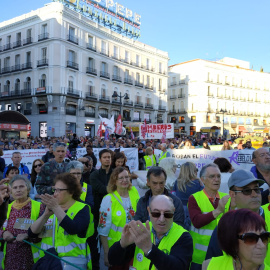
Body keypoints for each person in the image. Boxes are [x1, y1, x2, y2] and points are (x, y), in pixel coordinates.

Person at [108, 195, 193, 270]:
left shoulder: (183, 236)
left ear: (173, 212)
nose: (162, 219)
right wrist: (122, 244)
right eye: (156, 213)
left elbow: (178, 267)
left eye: (167, 214)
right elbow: (113, 260)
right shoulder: (140, 230)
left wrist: (150, 250)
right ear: (149, 211)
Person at [29, 173, 94, 270]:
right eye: (54, 189)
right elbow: (32, 233)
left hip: (72, 263)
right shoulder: (51, 209)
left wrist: (55, 208)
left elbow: (73, 228)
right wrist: (46, 215)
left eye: (59, 190)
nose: (55, 193)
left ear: (71, 192)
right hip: (49, 262)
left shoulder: (82, 208)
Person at [205, 169, 266, 260]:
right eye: (247, 191)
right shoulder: (224, 226)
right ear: (232, 194)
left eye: (257, 189)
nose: (254, 194)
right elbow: (213, 263)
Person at [188, 163, 230, 270]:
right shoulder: (194, 198)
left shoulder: (226, 198)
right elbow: (197, 221)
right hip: (199, 257)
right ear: (202, 180)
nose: (216, 179)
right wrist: (218, 211)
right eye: (212, 176)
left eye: (218, 176)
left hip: (222, 255)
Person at [98, 167, 140, 269]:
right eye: (121, 178)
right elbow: (103, 230)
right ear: (114, 181)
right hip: (117, 246)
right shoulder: (108, 199)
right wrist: (107, 253)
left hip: (135, 243)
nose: (125, 180)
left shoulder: (134, 191)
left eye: (127, 177)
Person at [1, 175, 44, 270]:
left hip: (31, 259)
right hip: (10, 258)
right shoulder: (7, 207)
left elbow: (46, 231)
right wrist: (3, 233)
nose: (18, 190)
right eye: (15, 187)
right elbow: (0, 227)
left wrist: (28, 235)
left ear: (28, 189)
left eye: (21, 186)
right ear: (11, 191)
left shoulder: (39, 207)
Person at [202, 209, 270, 270]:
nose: (262, 245)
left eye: (264, 237)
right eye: (251, 238)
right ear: (232, 241)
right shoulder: (209, 266)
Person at [173, 162, 203, 230]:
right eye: (196, 170)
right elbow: (204, 196)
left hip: (179, 210)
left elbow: (173, 197)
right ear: (193, 171)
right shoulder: (198, 183)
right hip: (194, 210)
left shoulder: (177, 182)